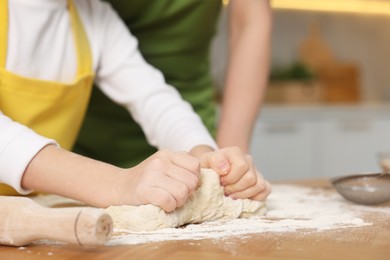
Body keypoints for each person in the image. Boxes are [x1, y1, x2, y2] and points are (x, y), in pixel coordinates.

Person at [0, 0, 271, 212]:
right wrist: (117, 183)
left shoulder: (95, 19)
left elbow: (154, 100)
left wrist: (204, 156)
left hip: (32, 214)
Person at [74, 0, 272, 167]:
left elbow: (250, 20)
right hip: (73, 135)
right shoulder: (87, 20)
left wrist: (225, 160)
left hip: (186, 127)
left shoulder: (106, 32)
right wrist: (118, 183)